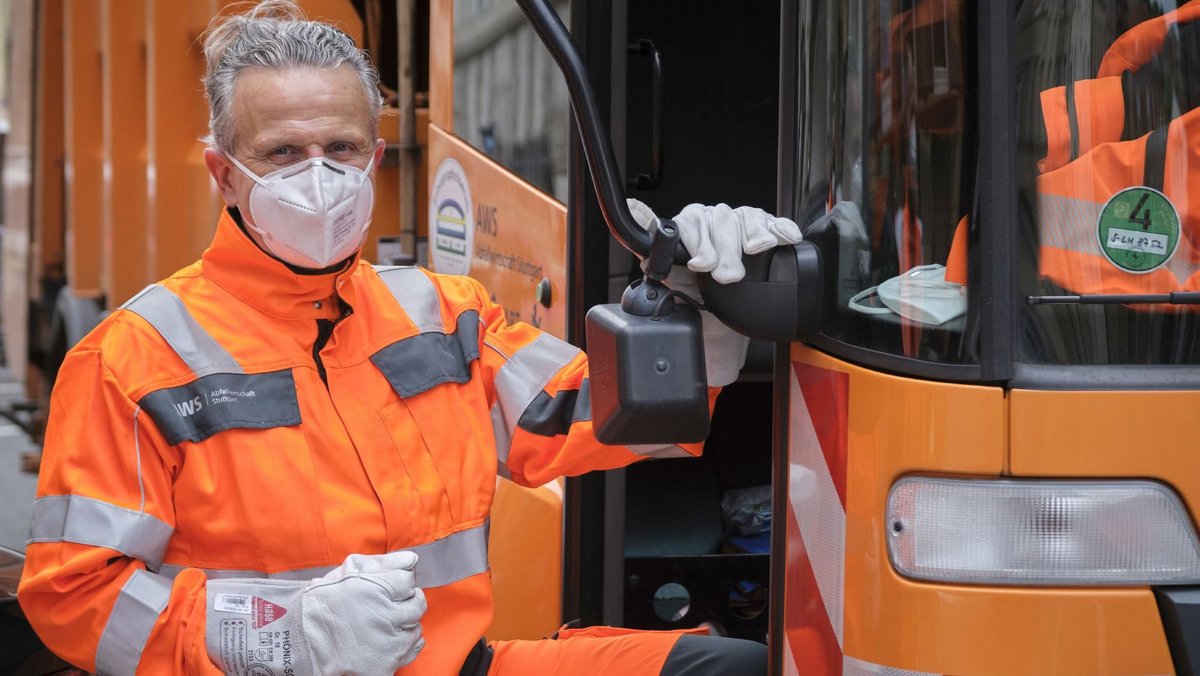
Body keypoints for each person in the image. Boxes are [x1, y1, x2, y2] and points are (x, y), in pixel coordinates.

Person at [17, 2, 802, 674]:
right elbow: (72, 595)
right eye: (283, 153)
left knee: (736, 667)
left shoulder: (443, 314)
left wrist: (698, 312)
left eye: (342, 149)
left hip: (454, 664)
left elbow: (595, 416)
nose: (319, 177)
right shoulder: (133, 357)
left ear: (376, 158)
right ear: (223, 173)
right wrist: (279, 633)